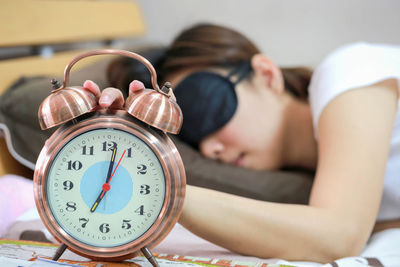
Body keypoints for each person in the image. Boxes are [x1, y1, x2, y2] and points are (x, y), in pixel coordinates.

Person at [82, 24, 400, 262]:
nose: (209, 150)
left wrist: (159, 188)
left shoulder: (350, 71)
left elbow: (339, 236)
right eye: (194, 137)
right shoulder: (321, 181)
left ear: (266, 74)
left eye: (208, 111)